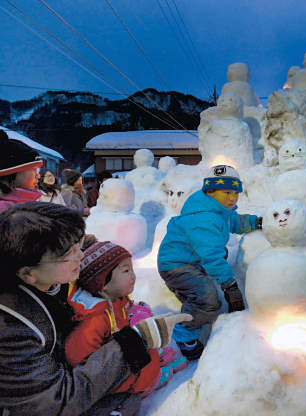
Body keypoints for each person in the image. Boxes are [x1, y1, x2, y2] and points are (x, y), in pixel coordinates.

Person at [0, 202, 191, 416]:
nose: (80, 255)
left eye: (77, 244)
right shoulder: (11, 327)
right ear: (28, 274)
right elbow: (54, 402)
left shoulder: (55, 277)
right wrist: (134, 342)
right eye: (67, 252)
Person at [157, 164, 262, 360]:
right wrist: (230, 287)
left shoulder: (218, 210)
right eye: (227, 193)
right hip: (177, 266)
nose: (232, 198)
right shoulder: (204, 218)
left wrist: (257, 222)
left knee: (201, 294)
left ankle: (190, 318)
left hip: (190, 262)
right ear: (210, 191)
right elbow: (211, 256)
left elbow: (236, 222)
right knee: (206, 300)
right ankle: (183, 336)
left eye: (236, 193)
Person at [65, 241, 187, 396]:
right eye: (126, 271)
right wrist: (127, 381)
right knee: (148, 365)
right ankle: (150, 380)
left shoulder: (115, 300)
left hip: (123, 350)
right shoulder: (94, 320)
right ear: (103, 284)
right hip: (115, 375)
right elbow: (80, 361)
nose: (133, 275)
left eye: (132, 269)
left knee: (142, 316)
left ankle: (156, 360)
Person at [0, 130, 42, 214]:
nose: (38, 176)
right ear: (11, 173)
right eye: (34, 169)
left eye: (39, 170)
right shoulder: (6, 211)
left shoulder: (24, 204)